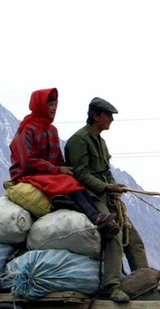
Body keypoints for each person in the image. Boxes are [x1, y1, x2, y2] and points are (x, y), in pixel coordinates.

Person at [65, 96, 150, 302]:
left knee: (134, 239)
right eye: (108, 115)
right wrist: (105, 187)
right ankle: (112, 286)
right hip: (88, 197)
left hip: (105, 196)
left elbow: (105, 171)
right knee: (113, 232)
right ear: (96, 115)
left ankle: (147, 283)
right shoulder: (79, 140)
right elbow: (81, 174)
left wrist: (115, 186)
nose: (111, 119)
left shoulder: (101, 142)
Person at [9, 88, 117, 231]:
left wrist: (64, 169)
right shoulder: (27, 129)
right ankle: (95, 216)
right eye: (50, 104)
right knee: (65, 182)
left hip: (48, 174)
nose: (54, 108)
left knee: (72, 180)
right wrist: (57, 170)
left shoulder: (52, 130)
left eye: (55, 104)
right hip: (27, 173)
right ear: (40, 105)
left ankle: (94, 217)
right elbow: (27, 160)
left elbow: (57, 158)